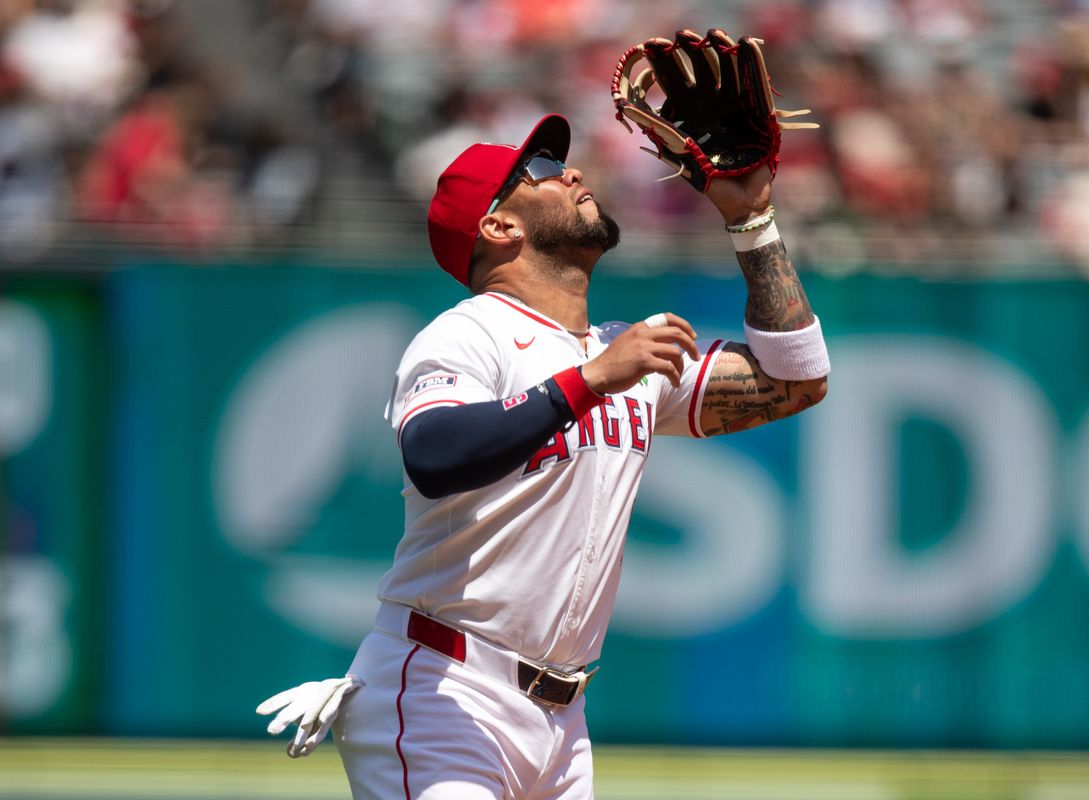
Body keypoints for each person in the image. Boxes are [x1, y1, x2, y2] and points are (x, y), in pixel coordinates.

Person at [257, 113, 830, 799]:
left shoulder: (622, 353)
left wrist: (753, 220)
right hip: (447, 691)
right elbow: (434, 453)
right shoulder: (470, 334)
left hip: (563, 721)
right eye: (541, 172)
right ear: (499, 227)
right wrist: (587, 382)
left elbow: (798, 380)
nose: (574, 173)